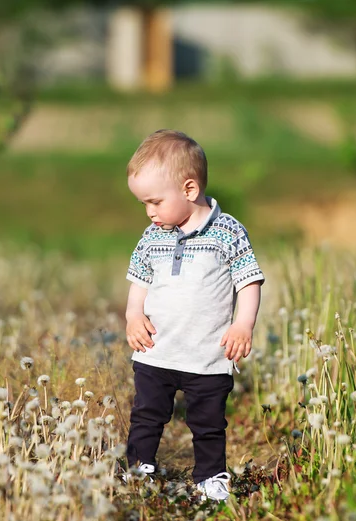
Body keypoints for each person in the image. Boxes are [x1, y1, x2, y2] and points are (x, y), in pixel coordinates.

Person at [124, 129, 264, 501]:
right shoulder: (151, 236)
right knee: (147, 414)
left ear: (189, 190)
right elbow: (139, 280)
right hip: (158, 348)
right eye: (144, 204)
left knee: (208, 422)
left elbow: (248, 281)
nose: (150, 211)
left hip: (208, 352)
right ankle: (139, 467)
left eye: (154, 201)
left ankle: (211, 476)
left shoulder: (228, 232)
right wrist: (133, 315)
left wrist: (243, 324)